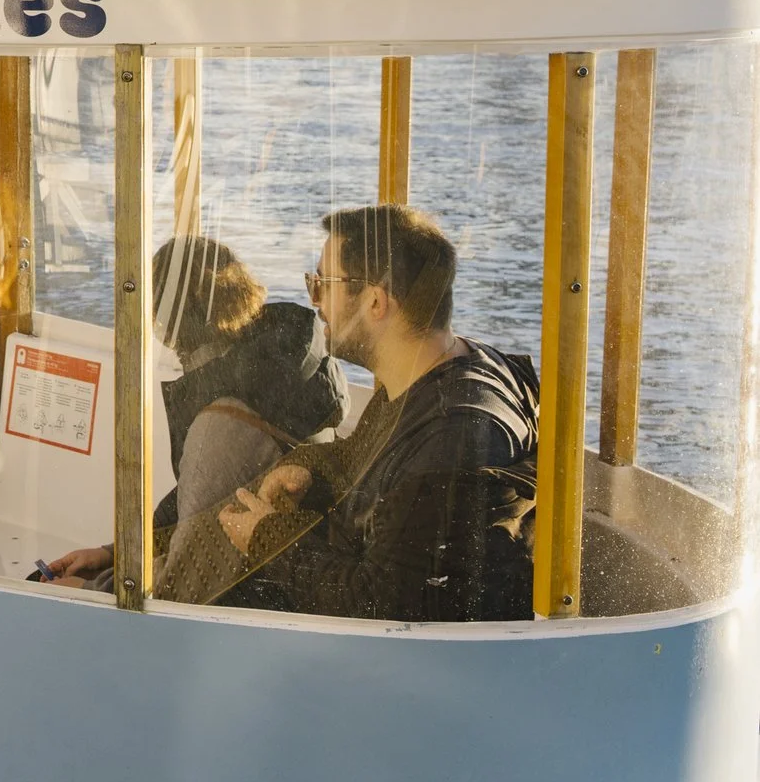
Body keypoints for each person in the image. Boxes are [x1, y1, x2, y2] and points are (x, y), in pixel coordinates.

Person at [52, 204, 539, 623]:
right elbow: (372, 469)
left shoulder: (452, 435)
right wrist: (314, 463)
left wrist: (268, 538)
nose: (316, 302)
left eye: (322, 283)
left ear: (374, 301)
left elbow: (382, 608)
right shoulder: (443, 375)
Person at [150, 236, 346, 525]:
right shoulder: (284, 372)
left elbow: (185, 556)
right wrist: (111, 554)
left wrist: (107, 571)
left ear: (164, 316)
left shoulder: (219, 421)